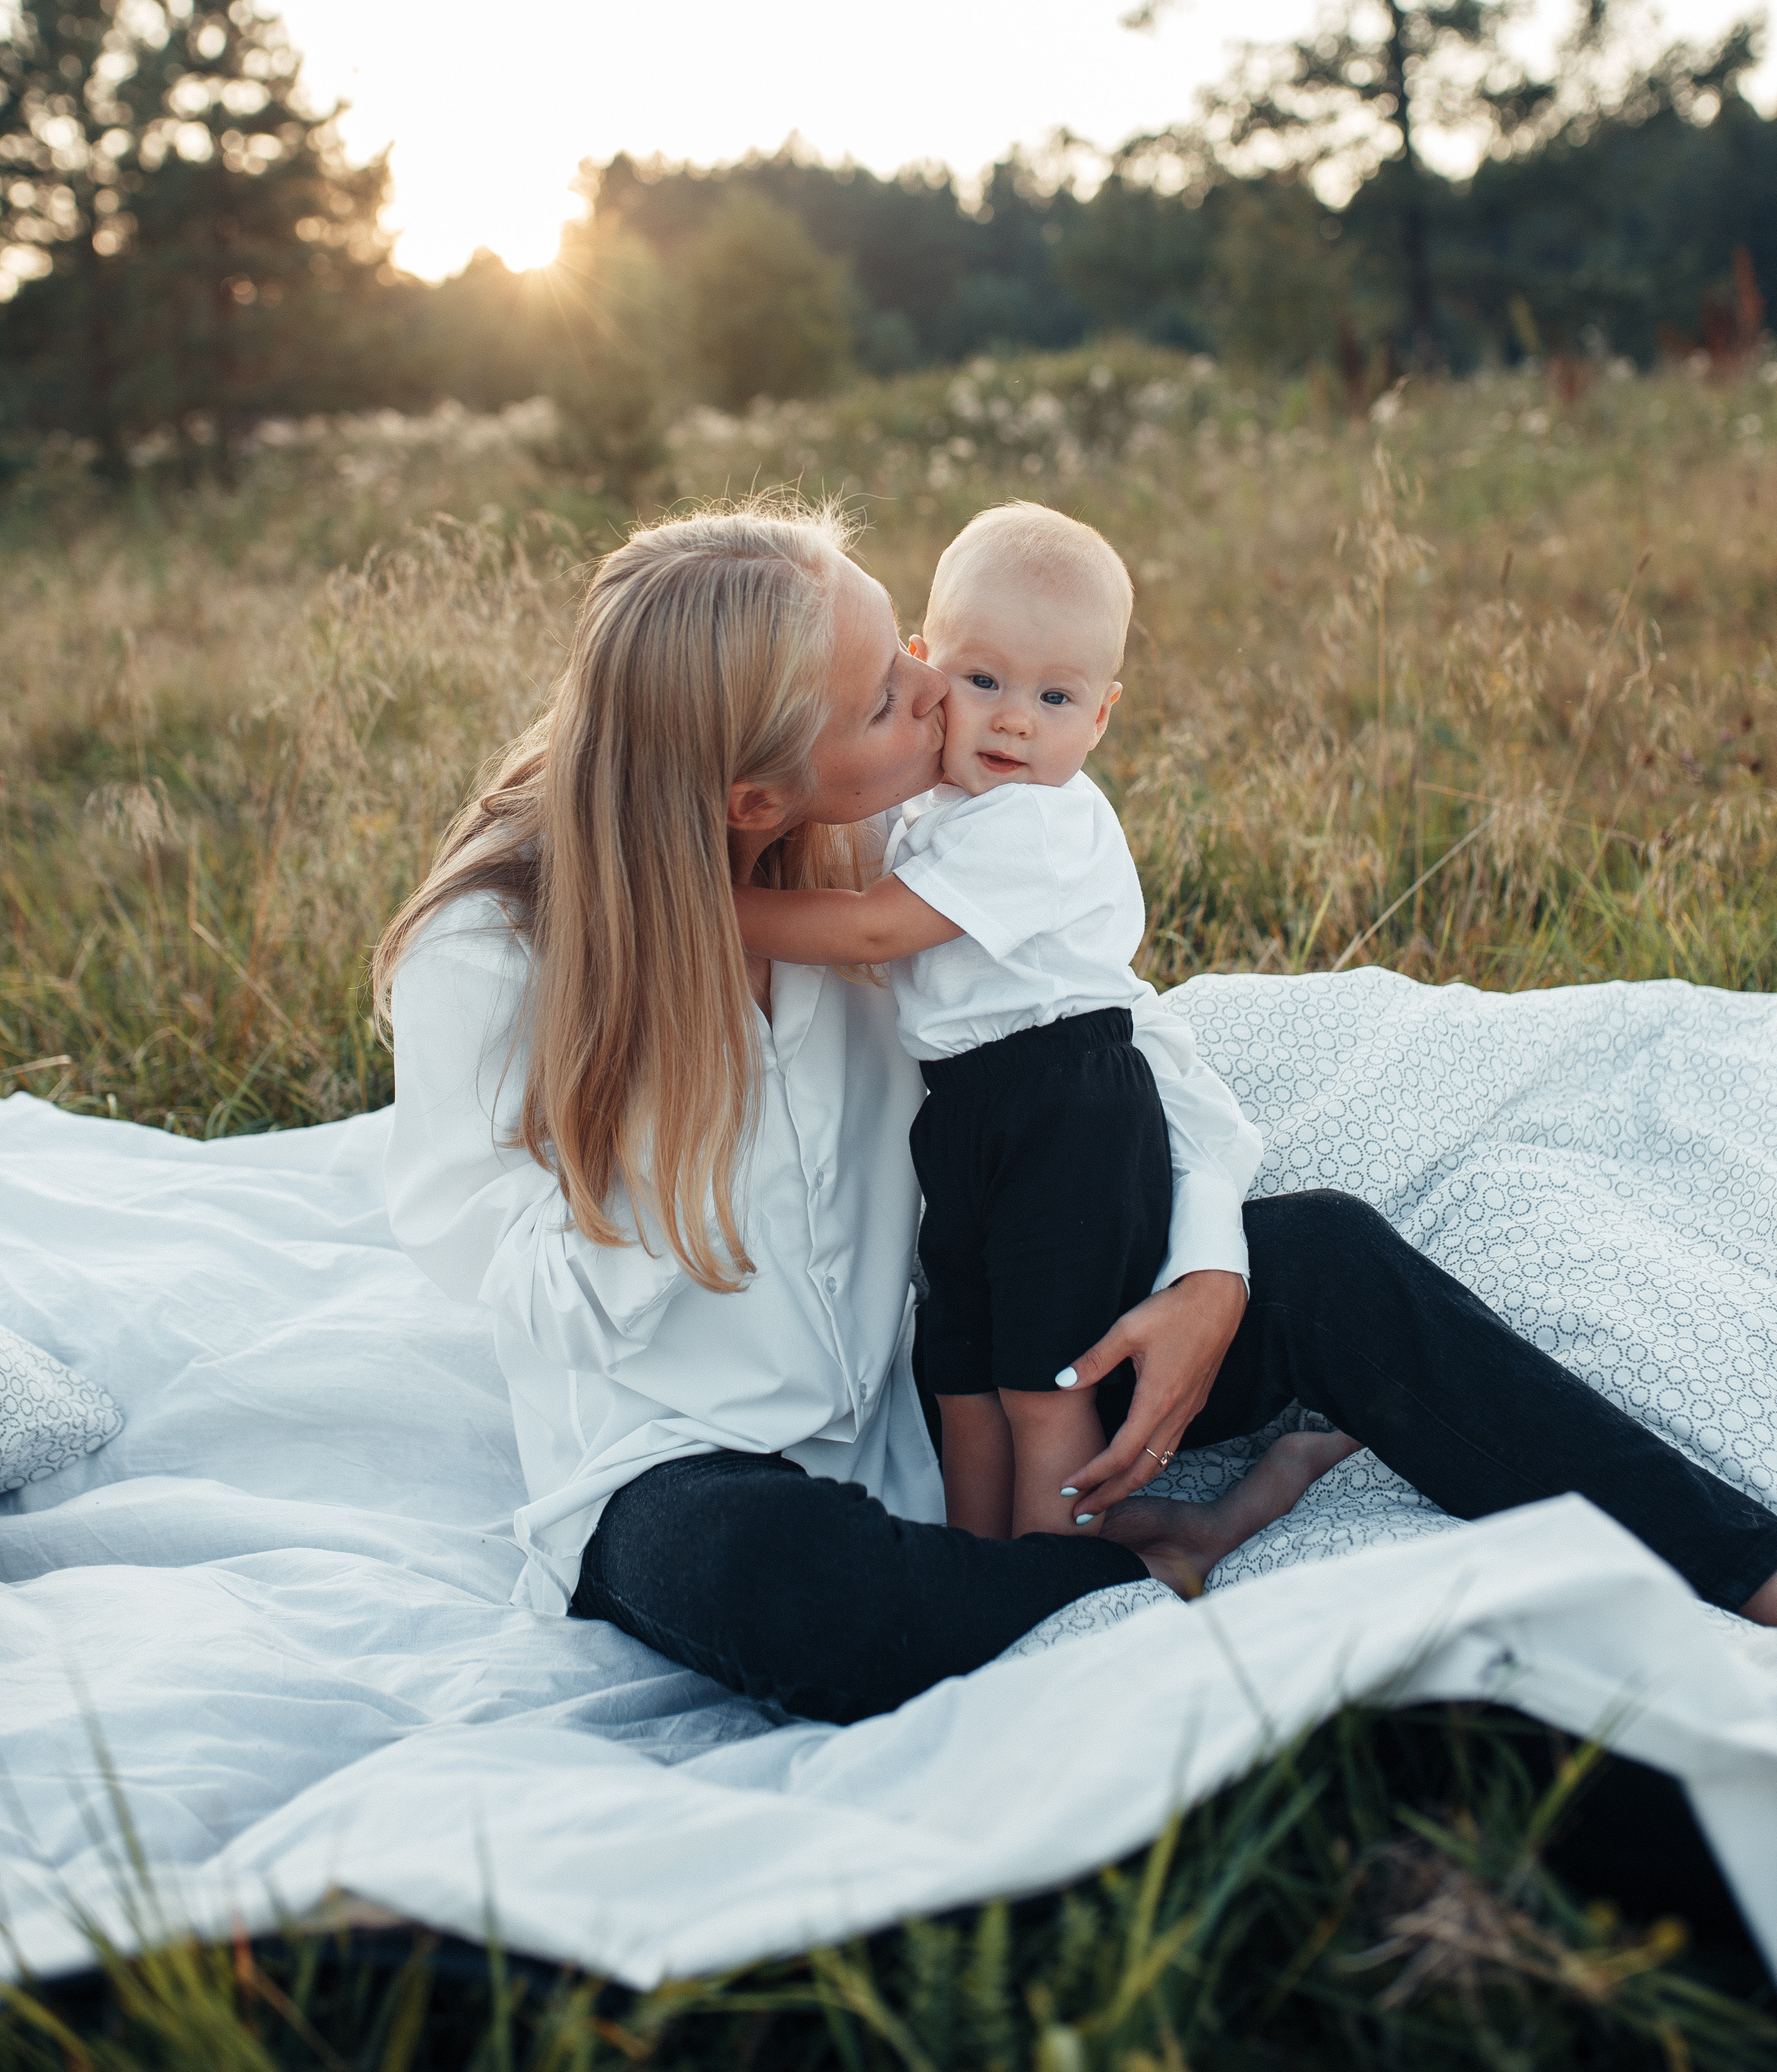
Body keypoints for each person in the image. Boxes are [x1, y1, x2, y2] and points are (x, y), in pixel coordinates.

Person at [378, 495, 1777, 1729]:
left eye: (909, 651)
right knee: (776, 1589)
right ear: (753, 793)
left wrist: (1206, 1263)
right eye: (887, 694)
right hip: (686, 1453)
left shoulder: (895, 845)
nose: (938, 695)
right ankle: (1151, 1565)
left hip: (968, 1360)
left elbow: (1114, 1024)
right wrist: (680, 1195)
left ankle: (1741, 1563)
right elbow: (474, 1239)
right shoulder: (494, 955)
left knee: (1332, 1260)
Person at [732, 500, 1356, 1546]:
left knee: (1041, 1386)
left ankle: (1050, 1593)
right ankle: (987, 1569)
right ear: (927, 670)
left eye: (1055, 696)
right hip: (969, 1112)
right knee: (961, 1378)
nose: (1016, 718)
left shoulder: (1041, 821)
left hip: (1066, 1108)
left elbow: (878, 933)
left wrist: (705, 902)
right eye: (984, 682)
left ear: (1101, 718)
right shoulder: (936, 811)